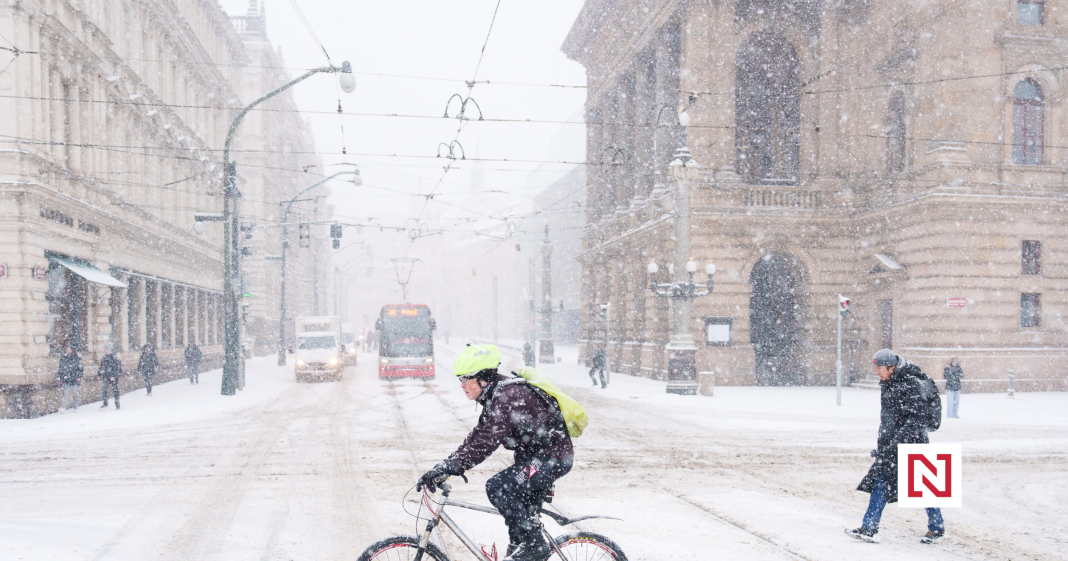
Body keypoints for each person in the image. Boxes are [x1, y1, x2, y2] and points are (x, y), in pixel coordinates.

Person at [417, 345, 574, 561]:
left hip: (552, 458)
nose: (462, 385)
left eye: (465, 379)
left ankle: (536, 547)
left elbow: (485, 442)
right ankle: (525, 548)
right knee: (517, 531)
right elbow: (477, 435)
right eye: (460, 379)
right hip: (536, 458)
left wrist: (453, 467)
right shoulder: (497, 393)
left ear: (483, 378)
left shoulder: (507, 396)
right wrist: (445, 465)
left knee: (499, 487)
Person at [846, 349, 945, 545]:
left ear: (892, 367)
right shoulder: (890, 383)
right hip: (893, 447)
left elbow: (915, 421)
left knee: (922, 486)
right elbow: (890, 420)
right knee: (883, 482)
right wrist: (885, 445)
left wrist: (894, 445)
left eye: (880, 368)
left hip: (912, 445)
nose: (877, 372)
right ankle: (870, 527)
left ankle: (936, 527)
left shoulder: (911, 384)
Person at [57, 346, 84, 413]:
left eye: (69, 349)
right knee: (65, 394)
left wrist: (79, 376)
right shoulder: (63, 358)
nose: (67, 350)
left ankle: (76, 407)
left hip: (74, 379)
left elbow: (80, 368)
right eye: (66, 349)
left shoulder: (77, 358)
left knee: (75, 394)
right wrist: (59, 377)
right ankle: (63, 407)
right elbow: (60, 368)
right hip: (66, 379)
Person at [98, 343, 122, 410]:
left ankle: (117, 404)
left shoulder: (115, 357)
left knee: (115, 390)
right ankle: (105, 403)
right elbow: (101, 366)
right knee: (104, 390)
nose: (104, 350)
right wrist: (99, 374)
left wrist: (114, 376)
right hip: (106, 376)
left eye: (105, 348)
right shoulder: (105, 357)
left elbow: (118, 368)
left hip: (113, 377)